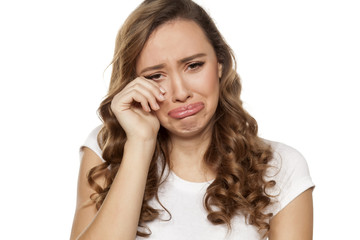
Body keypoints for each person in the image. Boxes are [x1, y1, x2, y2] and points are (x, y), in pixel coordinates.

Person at [70, 0, 315, 239]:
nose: (180, 92)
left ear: (219, 64)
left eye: (194, 65)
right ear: (133, 84)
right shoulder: (105, 150)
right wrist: (140, 143)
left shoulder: (282, 167)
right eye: (156, 76)